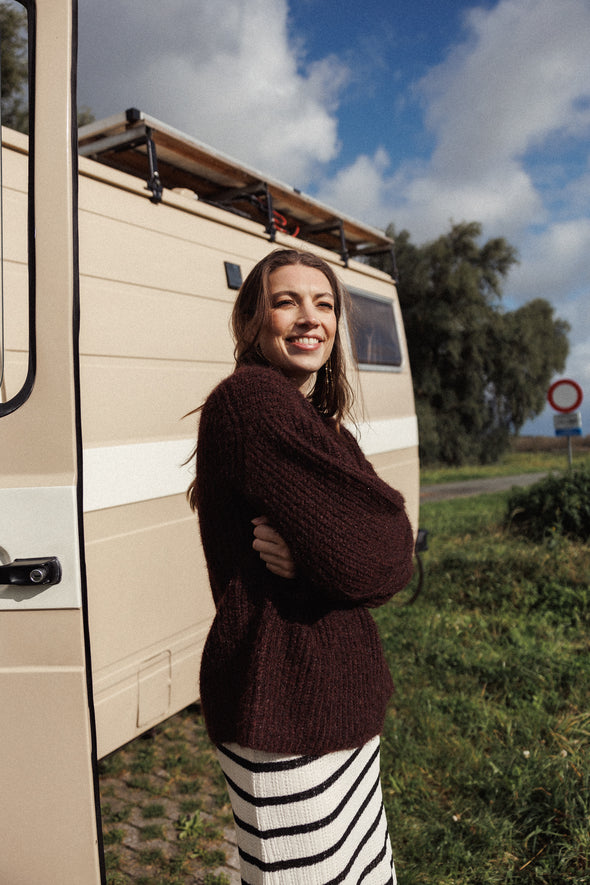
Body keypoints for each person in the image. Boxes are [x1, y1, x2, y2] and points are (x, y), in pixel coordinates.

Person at [187, 249, 414, 884]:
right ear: (252, 322)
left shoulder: (322, 425)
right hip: (283, 705)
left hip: (337, 700)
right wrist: (338, 555)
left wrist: (321, 556)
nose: (308, 317)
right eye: (286, 301)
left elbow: (392, 546)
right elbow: (369, 553)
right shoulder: (250, 401)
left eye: (324, 303)